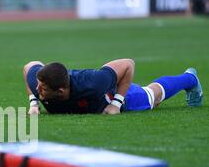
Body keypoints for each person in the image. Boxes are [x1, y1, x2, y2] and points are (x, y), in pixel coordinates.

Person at [22, 59, 203, 115]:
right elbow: (29, 66)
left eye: (42, 90)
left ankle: (190, 78)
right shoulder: (39, 83)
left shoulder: (93, 82)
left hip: (115, 94)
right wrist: (33, 104)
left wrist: (116, 103)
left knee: (152, 97)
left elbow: (127, 64)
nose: (38, 91)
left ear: (60, 91)